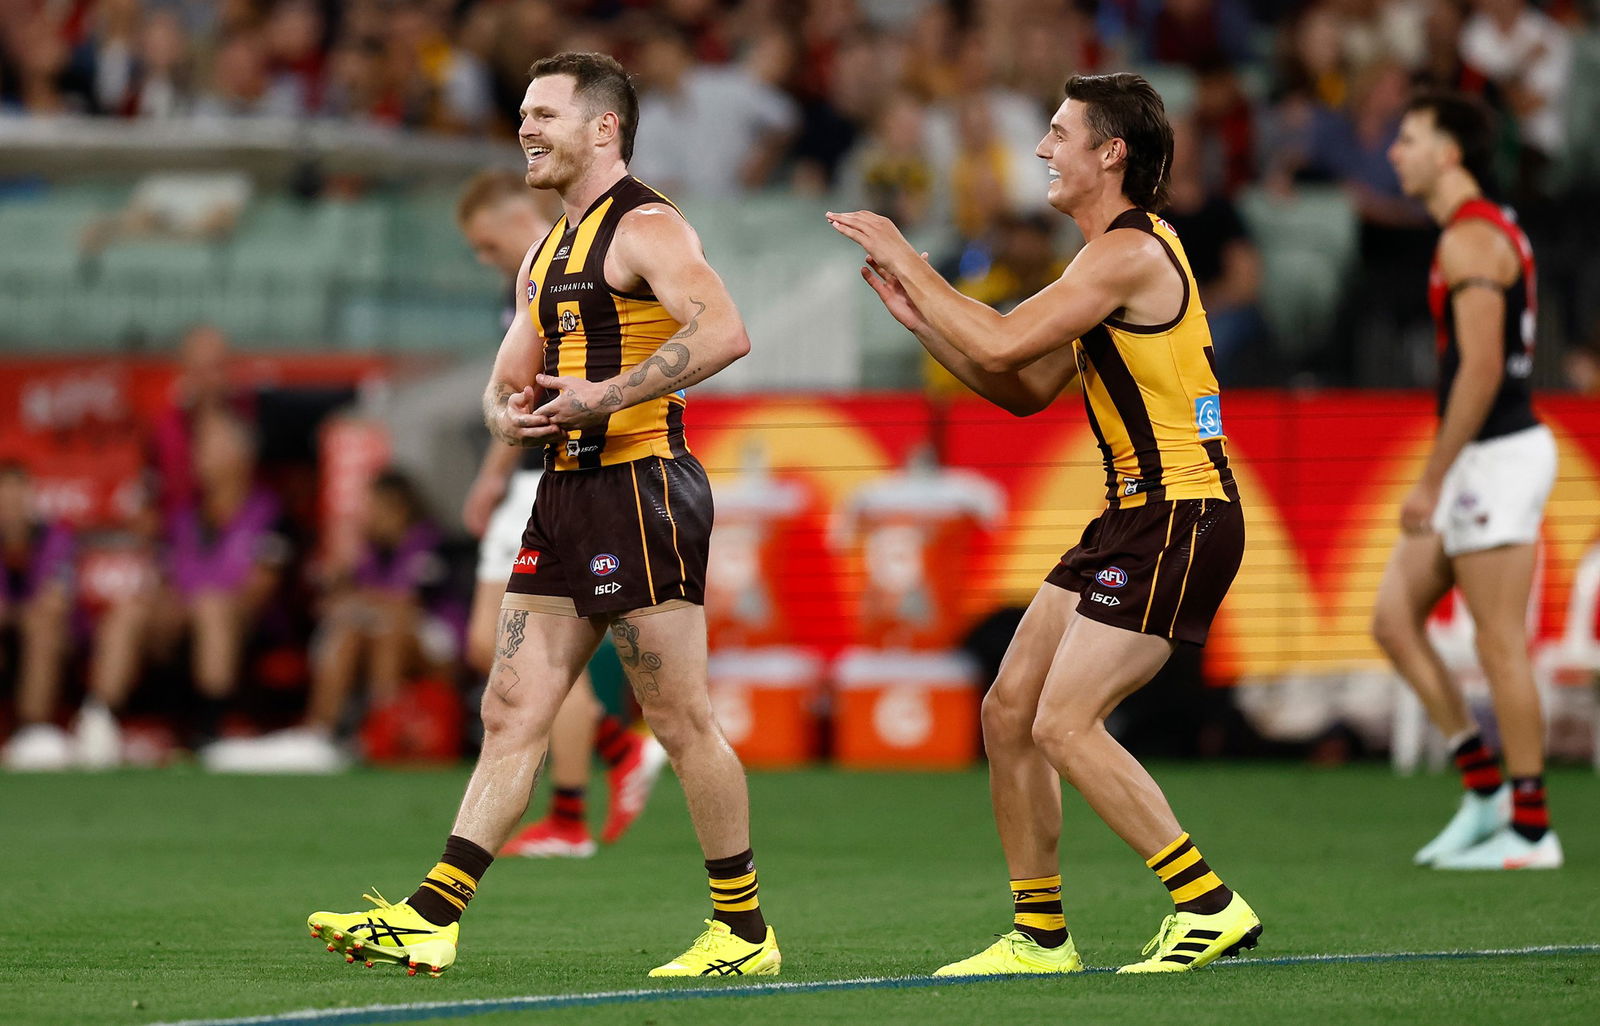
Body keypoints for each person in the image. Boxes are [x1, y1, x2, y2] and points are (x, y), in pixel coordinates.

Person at [308, 52, 776, 980]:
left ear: (604, 129)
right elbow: (503, 378)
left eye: (546, 114)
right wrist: (503, 415)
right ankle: (432, 916)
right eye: (522, 113)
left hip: (642, 489)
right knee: (511, 705)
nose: (525, 128)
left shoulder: (646, 227)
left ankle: (743, 931)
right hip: (565, 495)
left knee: (679, 719)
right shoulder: (544, 249)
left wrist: (605, 394)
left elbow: (723, 330)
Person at [829, 71, 1259, 976]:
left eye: (1059, 133)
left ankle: (1206, 902)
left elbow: (997, 341)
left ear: (1113, 152)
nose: (1040, 149)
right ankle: (1038, 935)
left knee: (1064, 722)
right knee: (1011, 709)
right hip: (1132, 517)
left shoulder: (1128, 254)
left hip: (1179, 515)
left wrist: (910, 257)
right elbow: (1020, 388)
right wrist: (924, 322)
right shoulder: (1107, 261)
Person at [1373, 90, 1561, 870]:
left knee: (1497, 645)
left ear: (1450, 154)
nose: (1395, 152)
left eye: (1410, 138)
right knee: (1393, 618)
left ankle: (1530, 828)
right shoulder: (1482, 229)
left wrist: (1432, 478)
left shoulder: (1470, 241)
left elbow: (1481, 369)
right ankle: (1483, 789)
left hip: (1498, 455)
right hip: (1483, 457)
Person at [456, 169, 667, 857]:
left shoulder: (558, 271)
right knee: (498, 650)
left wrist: (492, 476)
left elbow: (534, 382)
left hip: (553, 476)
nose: (484, 259)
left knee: (526, 656)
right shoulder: (535, 273)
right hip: (535, 473)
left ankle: (572, 814)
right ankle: (615, 751)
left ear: (513, 214)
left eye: (486, 244)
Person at [0, 463, 75, 771]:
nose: (11, 505)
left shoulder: (56, 536)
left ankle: (30, 734)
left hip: (54, 637)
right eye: (4, 497)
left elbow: (55, 600)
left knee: (42, 627)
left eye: (18, 496)